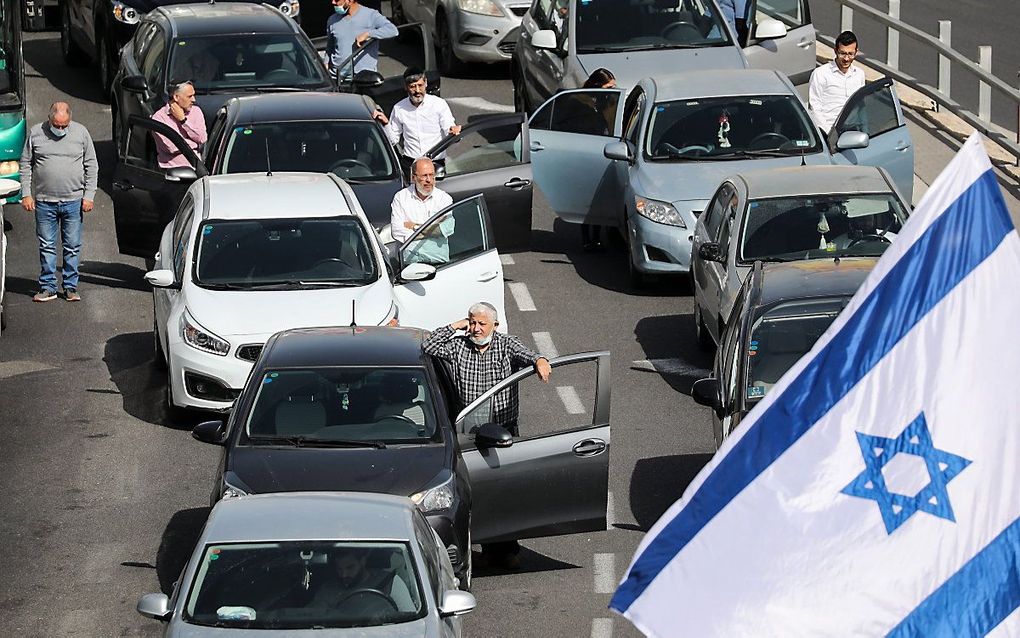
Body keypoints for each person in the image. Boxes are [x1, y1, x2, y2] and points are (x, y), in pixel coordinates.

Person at [421, 302, 551, 568]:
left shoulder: (506, 345)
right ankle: (472, 545)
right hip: (468, 430)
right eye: (472, 322)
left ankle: (504, 549)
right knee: (470, 487)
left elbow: (529, 355)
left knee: (502, 488)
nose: (476, 328)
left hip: (502, 430)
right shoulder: (458, 346)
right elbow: (429, 346)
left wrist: (540, 361)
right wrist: (456, 326)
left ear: (495, 325)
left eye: (482, 323)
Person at [20, 102, 97, 303]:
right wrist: (26, 194)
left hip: (73, 201)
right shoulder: (36, 133)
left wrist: (89, 195)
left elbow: (91, 165)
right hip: (45, 202)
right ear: (50, 119)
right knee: (47, 246)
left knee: (72, 246)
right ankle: (48, 287)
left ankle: (70, 286)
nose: (60, 129)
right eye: (57, 125)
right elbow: (26, 163)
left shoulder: (81, 133)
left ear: (70, 120)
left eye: (64, 126)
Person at [375, 68, 460, 178]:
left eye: (420, 85)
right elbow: (393, 140)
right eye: (413, 86)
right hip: (410, 165)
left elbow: (449, 129)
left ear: (426, 84)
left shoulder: (439, 104)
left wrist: (454, 131)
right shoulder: (399, 108)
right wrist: (386, 124)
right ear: (406, 88)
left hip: (435, 164)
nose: (417, 90)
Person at [390, 157, 455, 263]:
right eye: (424, 176)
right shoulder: (401, 198)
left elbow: (445, 229)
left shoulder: (444, 199)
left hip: (438, 262)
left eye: (431, 175)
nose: (429, 180)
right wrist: (432, 231)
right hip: (410, 263)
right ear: (414, 177)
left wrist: (414, 227)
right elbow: (397, 231)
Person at [310, 548, 415, 613]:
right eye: (339, 569)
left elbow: (410, 617)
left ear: (362, 561)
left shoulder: (390, 582)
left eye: (350, 568)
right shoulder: (328, 589)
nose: (344, 575)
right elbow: (313, 615)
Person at [579, 68, 616, 252]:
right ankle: (587, 238)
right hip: (587, 157)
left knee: (601, 200)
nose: (612, 91)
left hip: (603, 155)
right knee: (587, 201)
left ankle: (597, 237)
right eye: (609, 87)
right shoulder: (582, 104)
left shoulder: (608, 103)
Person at [326, 0, 398, 82]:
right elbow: (330, 46)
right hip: (337, 77)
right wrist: (325, 64)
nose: (333, 2)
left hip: (363, 78)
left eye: (337, 0)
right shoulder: (332, 20)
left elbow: (393, 30)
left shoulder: (371, 15)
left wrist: (368, 34)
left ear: (351, 1)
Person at [808, 31, 866, 133]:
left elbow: (861, 107)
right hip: (828, 130)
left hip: (852, 130)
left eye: (850, 54)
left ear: (856, 52)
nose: (846, 58)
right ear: (835, 51)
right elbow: (815, 107)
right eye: (842, 53)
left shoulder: (859, 75)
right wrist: (829, 134)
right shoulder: (820, 74)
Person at [151, 81, 208, 169]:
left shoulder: (196, 111)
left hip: (196, 169)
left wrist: (183, 121)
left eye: (193, 95)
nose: (194, 100)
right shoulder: (159, 118)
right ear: (176, 97)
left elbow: (202, 138)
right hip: (171, 171)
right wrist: (194, 144)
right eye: (189, 96)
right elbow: (171, 147)